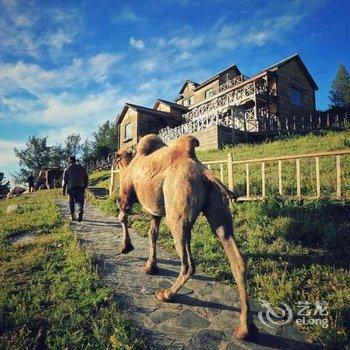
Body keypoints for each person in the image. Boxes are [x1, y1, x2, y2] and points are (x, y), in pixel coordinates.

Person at [62, 155, 88, 222]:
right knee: (80, 202)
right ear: (75, 160)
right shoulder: (82, 168)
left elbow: (65, 180)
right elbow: (86, 177)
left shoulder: (67, 169)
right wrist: (85, 185)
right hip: (80, 187)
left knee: (71, 202)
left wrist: (63, 190)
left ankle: (72, 215)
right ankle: (80, 213)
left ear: (69, 161)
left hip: (71, 188)